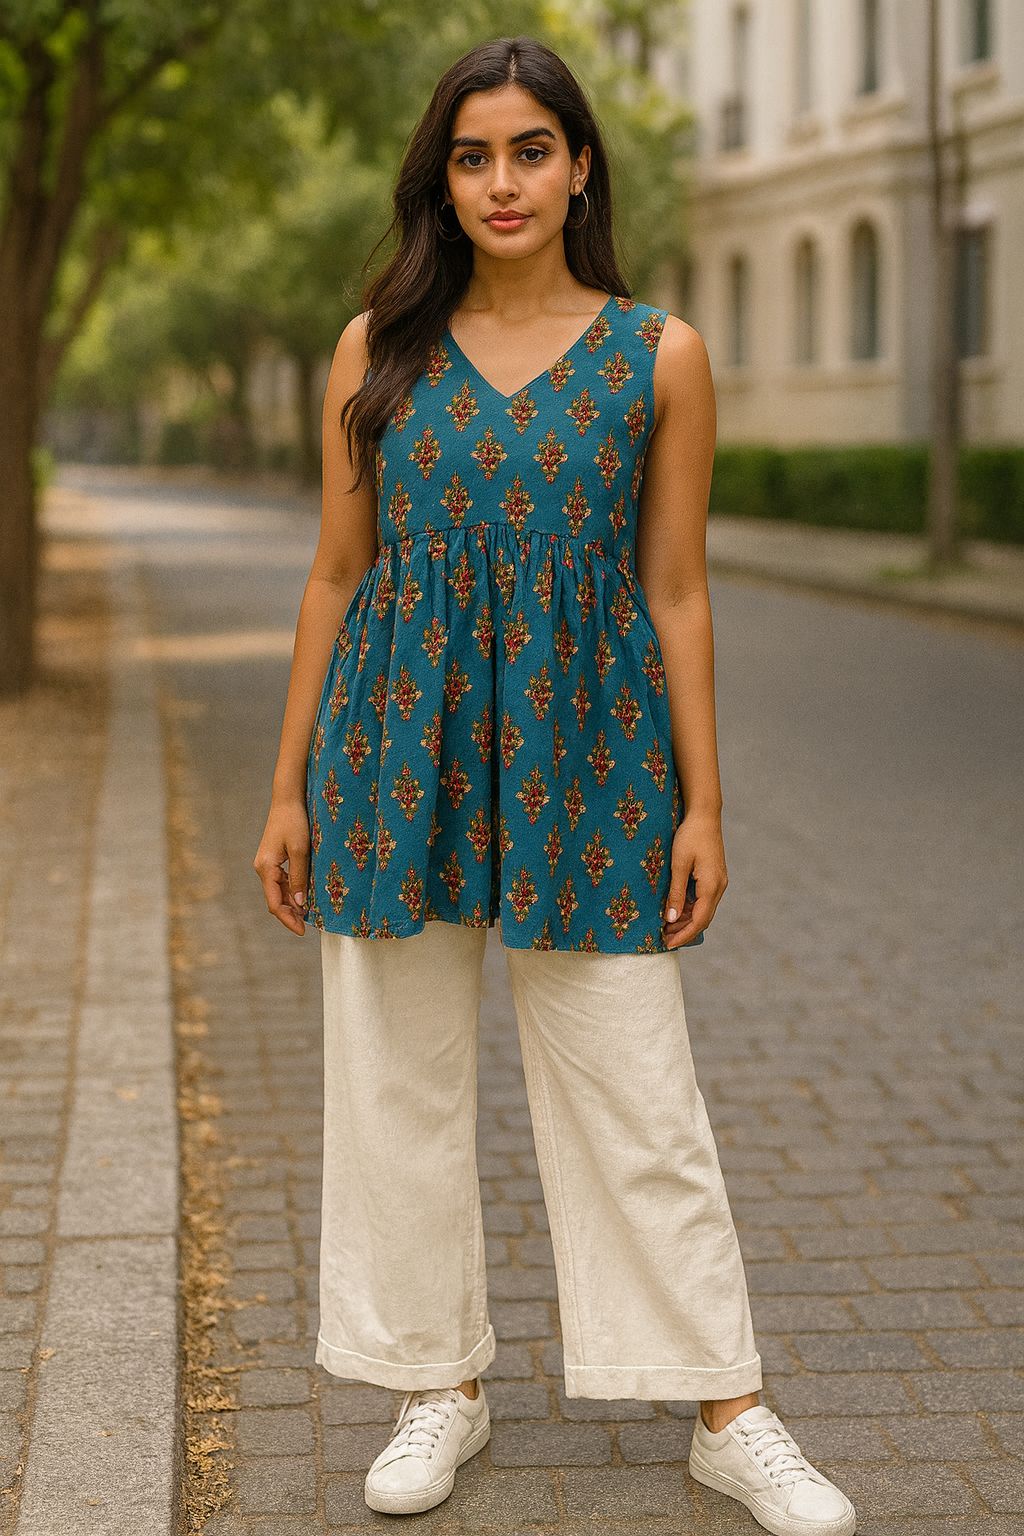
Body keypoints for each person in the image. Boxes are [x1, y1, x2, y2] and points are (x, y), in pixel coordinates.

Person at [254, 34, 858, 1536]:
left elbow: (679, 590)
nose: (502, 181)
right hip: (396, 747)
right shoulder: (373, 351)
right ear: (441, 179)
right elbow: (336, 579)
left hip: (591, 756)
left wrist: (705, 805)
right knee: (396, 1081)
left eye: (530, 150)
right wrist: (287, 792)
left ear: (580, 164)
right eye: (473, 156)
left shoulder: (658, 354)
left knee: (637, 1089)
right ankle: (433, 1382)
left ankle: (725, 1403)